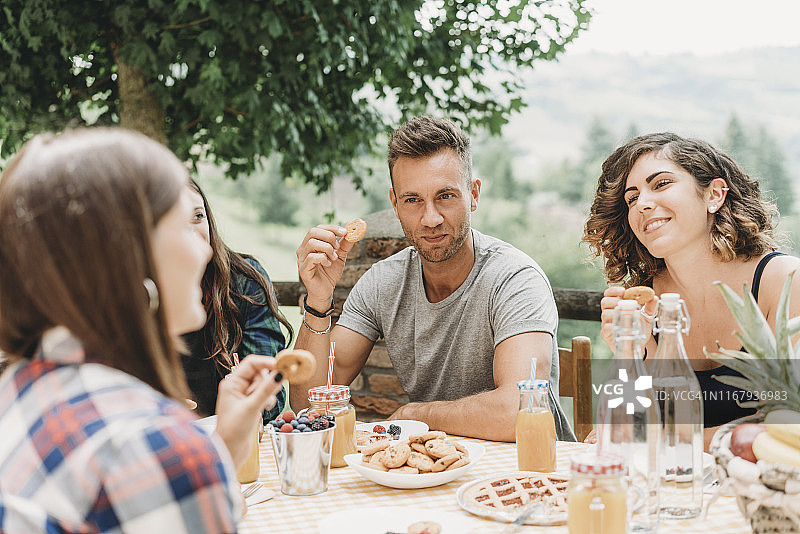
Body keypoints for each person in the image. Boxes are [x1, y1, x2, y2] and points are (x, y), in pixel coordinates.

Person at [0, 128, 284, 532]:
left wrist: (222, 448)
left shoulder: (20, 388)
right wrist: (200, 463)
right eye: (182, 225)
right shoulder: (157, 447)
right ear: (128, 257)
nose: (205, 248)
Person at [291, 116, 574, 442]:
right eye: (413, 200)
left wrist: (416, 414)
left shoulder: (515, 279)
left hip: (524, 477)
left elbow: (518, 412)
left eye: (446, 196)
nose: (430, 218)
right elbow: (309, 404)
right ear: (395, 205)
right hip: (432, 476)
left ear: (474, 195)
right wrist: (318, 298)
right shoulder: (383, 282)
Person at [582, 131, 800, 450]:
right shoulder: (642, 297)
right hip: (681, 485)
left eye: (661, 184)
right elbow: (636, 420)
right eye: (632, 198)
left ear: (714, 195)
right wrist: (631, 350)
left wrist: (675, 437)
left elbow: (791, 426)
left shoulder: (784, 281)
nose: (642, 203)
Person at [183, 179, 292, 422]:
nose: (193, 235)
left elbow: (268, 403)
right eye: (175, 223)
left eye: (198, 216)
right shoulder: (129, 295)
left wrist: (255, 392)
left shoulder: (242, 283)